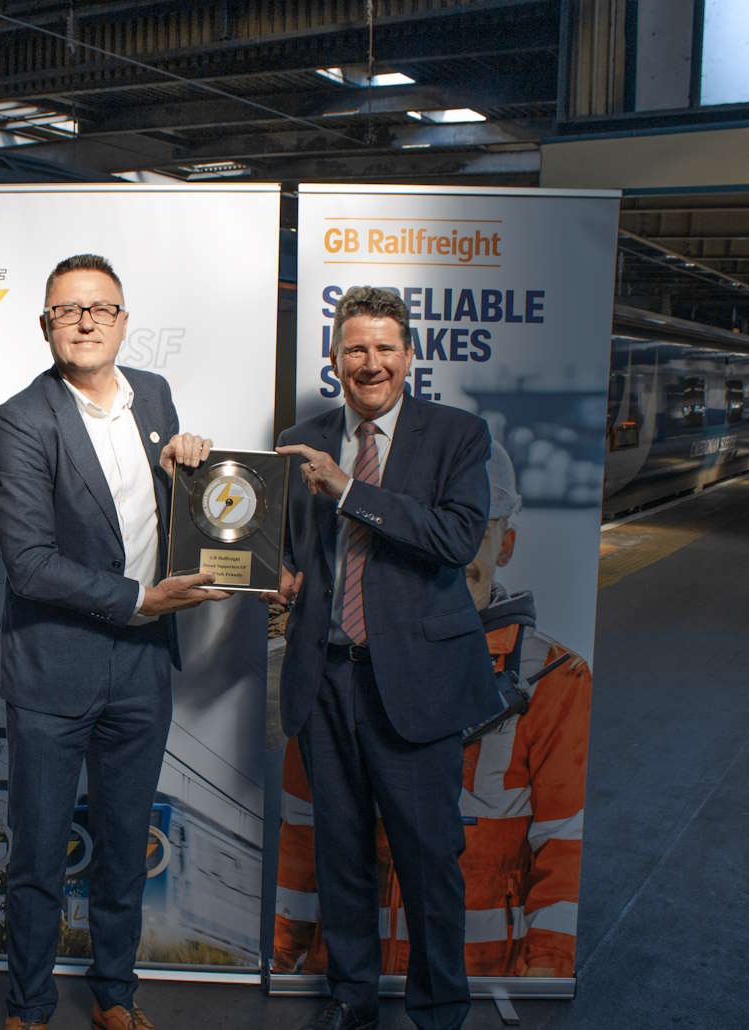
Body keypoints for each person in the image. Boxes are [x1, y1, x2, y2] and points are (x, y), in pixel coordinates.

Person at [0, 253, 229, 1030]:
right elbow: (28, 565)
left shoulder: (153, 395)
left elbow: (167, 509)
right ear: (46, 327)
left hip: (143, 666)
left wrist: (184, 467)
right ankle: (28, 1006)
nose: (85, 320)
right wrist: (138, 600)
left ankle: (114, 995)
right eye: (67, 310)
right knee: (39, 854)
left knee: (128, 841)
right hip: (54, 667)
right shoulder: (22, 419)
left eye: (100, 307)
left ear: (123, 322)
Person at [265, 286, 501, 1030]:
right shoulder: (301, 434)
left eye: (385, 349)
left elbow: (456, 539)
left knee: (429, 857)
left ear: (410, 356)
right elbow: (290, 550)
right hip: (326, 675)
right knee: (341, 852)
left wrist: (350, 490)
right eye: (356, 349)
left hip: (417, 683)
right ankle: (351, 997)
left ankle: (438, 1009)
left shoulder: (457, 435)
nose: (371, 364)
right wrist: (282, 580)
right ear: (334, 358)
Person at [272, 442, 592, 981]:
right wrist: (284, 959)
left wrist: (546, 982)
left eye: (475, 531)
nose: (451, 553)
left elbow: (562, 851)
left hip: (484, 985)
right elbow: (303, 829)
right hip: (351, 977)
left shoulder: (555, 680)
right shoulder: (336, 660)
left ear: (505, 544)